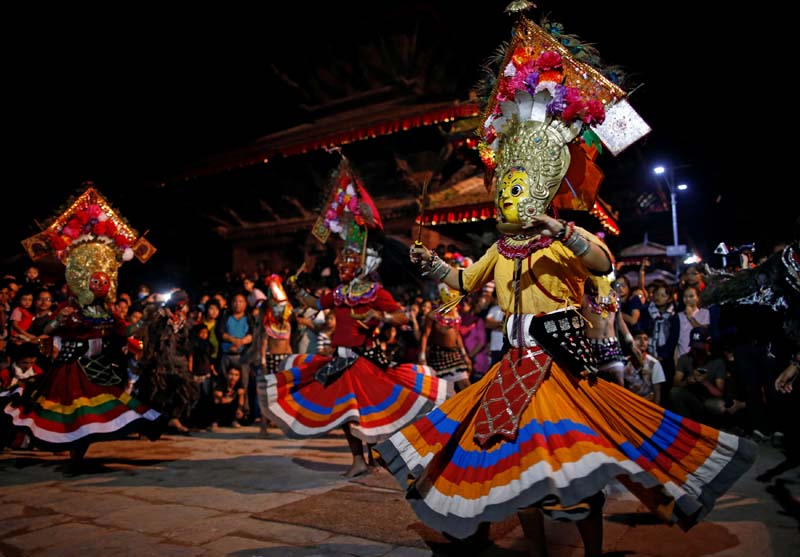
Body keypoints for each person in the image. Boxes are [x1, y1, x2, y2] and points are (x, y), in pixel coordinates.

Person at [375, 14, 756, 556]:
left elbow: (601, 263)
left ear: (539, 190)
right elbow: (463, 280)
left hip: (559, 369)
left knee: (576, 478)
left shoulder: (560, 239)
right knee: (517, 475)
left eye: (518, 187)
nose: (509, 195)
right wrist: (430, 265)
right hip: (510, 369)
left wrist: (561, 229)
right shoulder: (498, 250)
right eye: (504, 187)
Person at [259, 158, 450, 478]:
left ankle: (378, 457)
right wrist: (295, 288)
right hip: (338, 360)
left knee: (372, 414)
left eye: (345, 257)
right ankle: (359, 460)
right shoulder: (339, 292)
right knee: (346, 415)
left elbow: (403, 317)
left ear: (359, 262)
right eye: (339, 257)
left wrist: (379, 315)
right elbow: (314, 302)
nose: (338, 261)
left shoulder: (373, 292)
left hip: (365, 362)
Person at [5, 185, 163, 469]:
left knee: (101, 409)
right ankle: (71, 454)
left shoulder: (107, 311)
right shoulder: (69, 307)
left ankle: (84, 451)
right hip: (71, 366)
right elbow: (49, 329)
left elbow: (124, 330)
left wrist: (150, 322)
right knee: (72, 413)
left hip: (99, 366)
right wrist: (58, 324)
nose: (99, 283)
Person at [419, 283, 471, 392]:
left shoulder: (456, 315)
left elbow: (457, 336)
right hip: (439, 355)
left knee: (466, 386)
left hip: (454, 355)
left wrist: (464, 355)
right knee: (447, 392)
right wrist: (422, 356)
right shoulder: (433, 315)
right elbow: (425, 336)